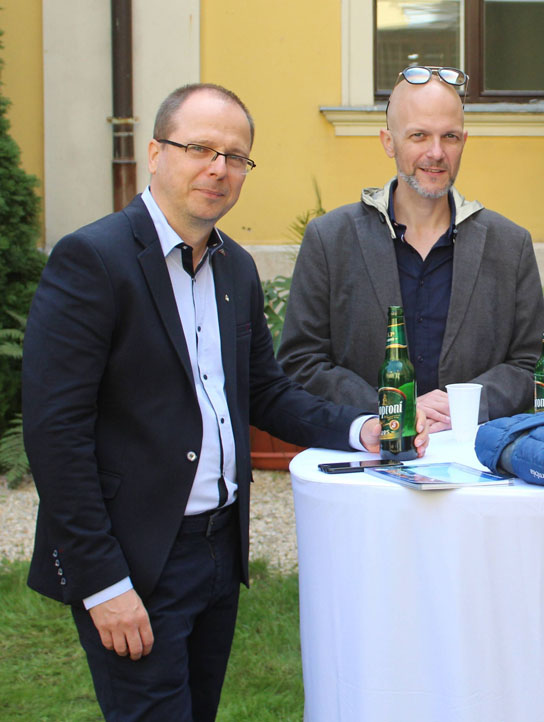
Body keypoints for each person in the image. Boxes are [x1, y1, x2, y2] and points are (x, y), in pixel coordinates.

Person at [22, 83, 427, 722]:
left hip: (217, 553)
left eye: (235, 157)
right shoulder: (93, 260)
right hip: (136, 558)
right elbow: (55, 433)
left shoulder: (234, 267)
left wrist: (362, 430)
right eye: (200, 149)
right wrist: (102, 582)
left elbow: (264, 391)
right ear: (155, 152)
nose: (219, 169)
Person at [277, 66, 544, 432]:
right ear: (389, 142)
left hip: (474, 455)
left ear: (464, 141)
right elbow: (301, 361)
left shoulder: (510, 245)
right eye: (419, 135)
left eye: (449, 137)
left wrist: (463, 405)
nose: (436, 152)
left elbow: (532, 363)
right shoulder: (330, 239)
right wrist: (392, 407)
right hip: (369, 453)